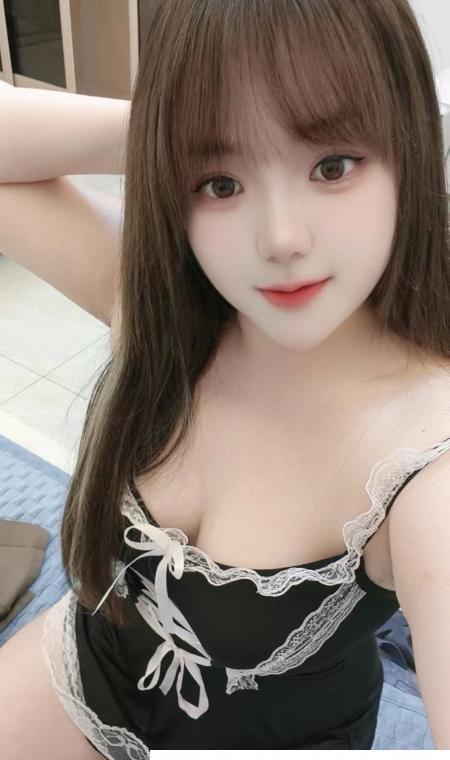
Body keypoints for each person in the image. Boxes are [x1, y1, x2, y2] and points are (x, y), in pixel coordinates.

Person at [0, 0, 449, 755]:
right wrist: (171, 128)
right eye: (220, 182)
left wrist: (231, 134)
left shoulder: (425, 460)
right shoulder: (169, 307)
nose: (281, 239)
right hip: (95, 661)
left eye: (331, 166)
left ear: (408, 143)